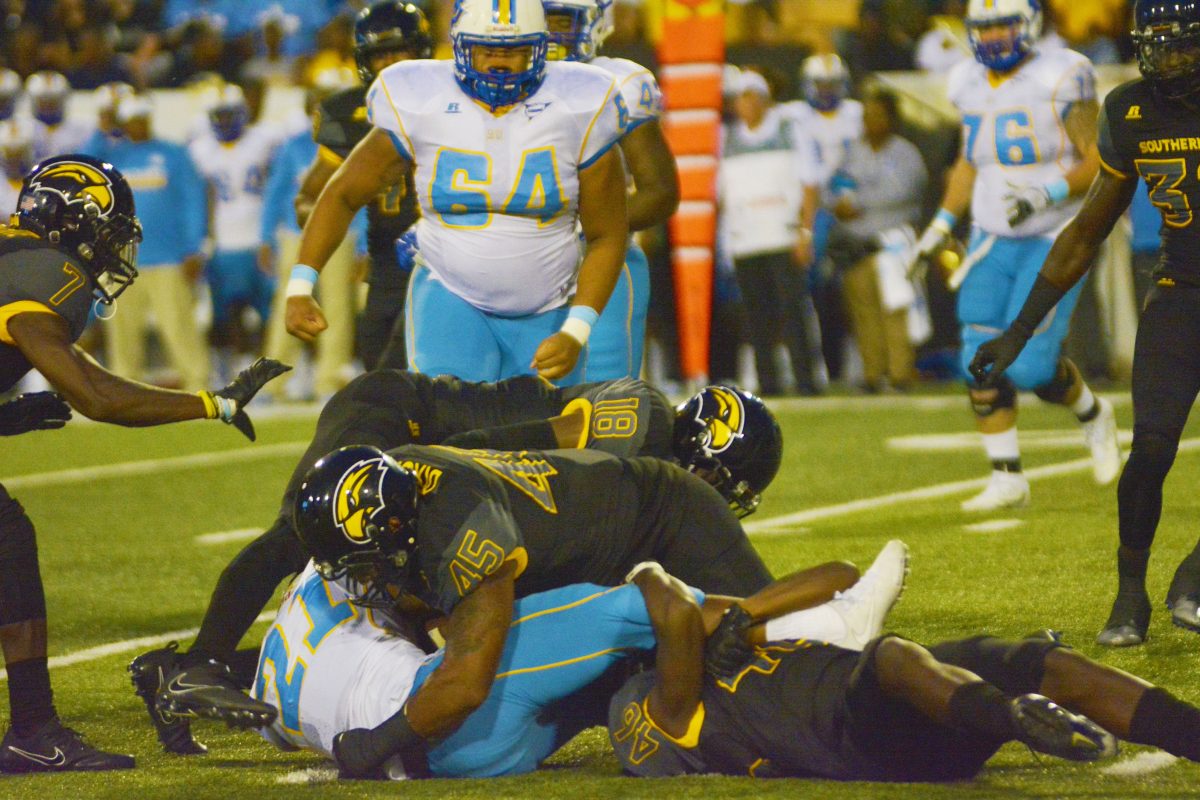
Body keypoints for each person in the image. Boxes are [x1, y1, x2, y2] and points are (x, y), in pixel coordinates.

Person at [132, 376, 783, 753]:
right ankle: (200, 663)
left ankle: (217, 667)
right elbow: (508, 449)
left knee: (433, 623)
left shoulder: (639, 467)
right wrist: (438, 469)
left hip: (440, 464)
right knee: (295, 541)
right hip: (411, 434)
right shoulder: (638, 423)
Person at [274, 447, 902, 779]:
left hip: (652, 520)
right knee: (639, 635)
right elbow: (460, 673)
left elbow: (465, 680)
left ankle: (827, 636)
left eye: (357, 557)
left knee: (648, 632)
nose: (353, 577)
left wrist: (374, 747)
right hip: (476, 714)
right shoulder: (417, 502)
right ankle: (826, 633)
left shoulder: (461, 534)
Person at [0, 154, 287, 773]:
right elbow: (98, 397)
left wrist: (8, 417)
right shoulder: (47, 272)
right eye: (106, 233)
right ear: (71, 223)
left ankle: (32, 729)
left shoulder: (11, 248)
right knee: (6, 542)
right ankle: (33, 730)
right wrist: (212, 401)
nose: (111, 250)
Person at [250, 544, 908, 778]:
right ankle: (822, 624)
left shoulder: (274, 680)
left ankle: (740, 716)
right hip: (446, 706)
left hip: (456, 763)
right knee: (636, 607)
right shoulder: (346, 569)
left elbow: (275, 725)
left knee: (620, 678)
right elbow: (452, 651)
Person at [969, 0, 1200, 646]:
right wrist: (1019, 332)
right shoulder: (1131, 111)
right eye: (1156, 45)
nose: (1166, 59)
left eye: (1179, 46)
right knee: (1151, 448)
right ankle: (1131, 595)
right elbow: (1085, 232)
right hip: (1182, 297)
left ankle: (1195, 573)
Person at [285, 0, 629, 386]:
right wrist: (300, 285)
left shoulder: (579, 102)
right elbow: (342, 193)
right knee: (448, 429)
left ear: (538, 49)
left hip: (550, 305)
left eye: (515, 51)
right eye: (487, 50)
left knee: (543, 436)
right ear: (462, 48)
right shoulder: (421, 98)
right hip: (448, 290)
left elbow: (608, 233)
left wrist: (576, 330)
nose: (501, 64)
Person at [607, 565, 1200, 782]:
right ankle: (1014, 716)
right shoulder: (655, 707)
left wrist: (748, 616)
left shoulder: (717, 646)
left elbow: (841, 574)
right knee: (891, 654)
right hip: (864, 736)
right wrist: (645, 570)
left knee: (1041, 662)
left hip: (918, 693)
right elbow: (676, 607)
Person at [911, 0, 1120, 512]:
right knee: (977, 359)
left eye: (1004, 24)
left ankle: (1093, 413)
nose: (994, 37)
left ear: (1028, 23)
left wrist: (1043, 193)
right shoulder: (967, 80)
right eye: (984, 27)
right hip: (991, 235)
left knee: (1028, 368)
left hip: (1054, 235)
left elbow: (1098, 162)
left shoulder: (1062, 73)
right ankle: (1007, 476)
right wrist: (940, 224)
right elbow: (969, 161)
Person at [543, 0, 680, 381]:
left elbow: (660, 191)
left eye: (559, 20)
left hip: (602, 260)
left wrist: (588, 231)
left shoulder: (618, 83)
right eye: (539, 19)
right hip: (515, 262)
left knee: (602, 399)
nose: (548, 33)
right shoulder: (496, 84)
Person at [293, 1, 432, 373]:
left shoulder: (454, 101)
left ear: (421, 50)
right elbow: (310, 199)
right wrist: (332, 222)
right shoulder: (352, 113)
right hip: (387, 268)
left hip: (448, 265)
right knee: (379, 379)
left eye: (396, 52)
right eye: (378, 55)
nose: (388, 64)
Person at [719, 69, 818, 397]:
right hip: (747, 242)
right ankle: (769, 383)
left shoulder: (790, 131)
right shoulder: (728, 140)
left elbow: (809, 184)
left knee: (793, 312)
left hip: (783, 237)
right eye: (740, 98)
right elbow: (722, 195)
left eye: (751, 96)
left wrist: (805, 232)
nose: (745, 104)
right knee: (756, 317)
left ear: (764, 100)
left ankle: (806, 381)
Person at [103, 94, 211, 392]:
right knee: (122, 330)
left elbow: (193, 202)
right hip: (121, 258)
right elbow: (83, 164)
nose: (138, 124)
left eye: (142, 118)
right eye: (132, 120)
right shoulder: (112, 158)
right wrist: (102, 131)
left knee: (178, 326)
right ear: (123, 123)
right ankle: (124, 385)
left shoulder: (174, 154)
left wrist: (193, 247)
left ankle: (197, 382)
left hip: (169, 256)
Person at [830, 89, 927, 393]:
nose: (870, 122)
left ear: (891, 119)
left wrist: (857, 202)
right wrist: (838, 203)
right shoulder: (852, 152)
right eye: (866, 116)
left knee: (896, 308)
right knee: (863, 312)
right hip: (857, 244)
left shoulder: (905, 153)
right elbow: (832, 187)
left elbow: (904, 191)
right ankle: (873, 374)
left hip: (892, 242)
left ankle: (900, 373)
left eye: (877, 115)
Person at [188, 83, 286, 381]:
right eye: (219, 115)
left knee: (270, 310)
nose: (225, 122)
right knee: (226, 312)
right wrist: (203, 238)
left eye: (230, 114)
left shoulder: (266, 139)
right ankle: (234, 369)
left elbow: (277, 184)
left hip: (260, 239)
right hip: (224, 241)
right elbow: (200, 197)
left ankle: (270, 367)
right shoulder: (199, 148)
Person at [786, 54, 863, 386]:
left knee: (852, 290)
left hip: (851, 207)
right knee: (809, 290)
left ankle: (856, 363)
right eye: (821, 84)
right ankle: (815, 364)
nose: (827, 91)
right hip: (812, 211)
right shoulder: (793, 116)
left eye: (832, 84)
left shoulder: (856, 114)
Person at [25, 71, 94, 161]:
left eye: (52, 102)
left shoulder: (81, 129)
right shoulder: (24, 128)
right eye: (43, 102)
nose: (48, 107)